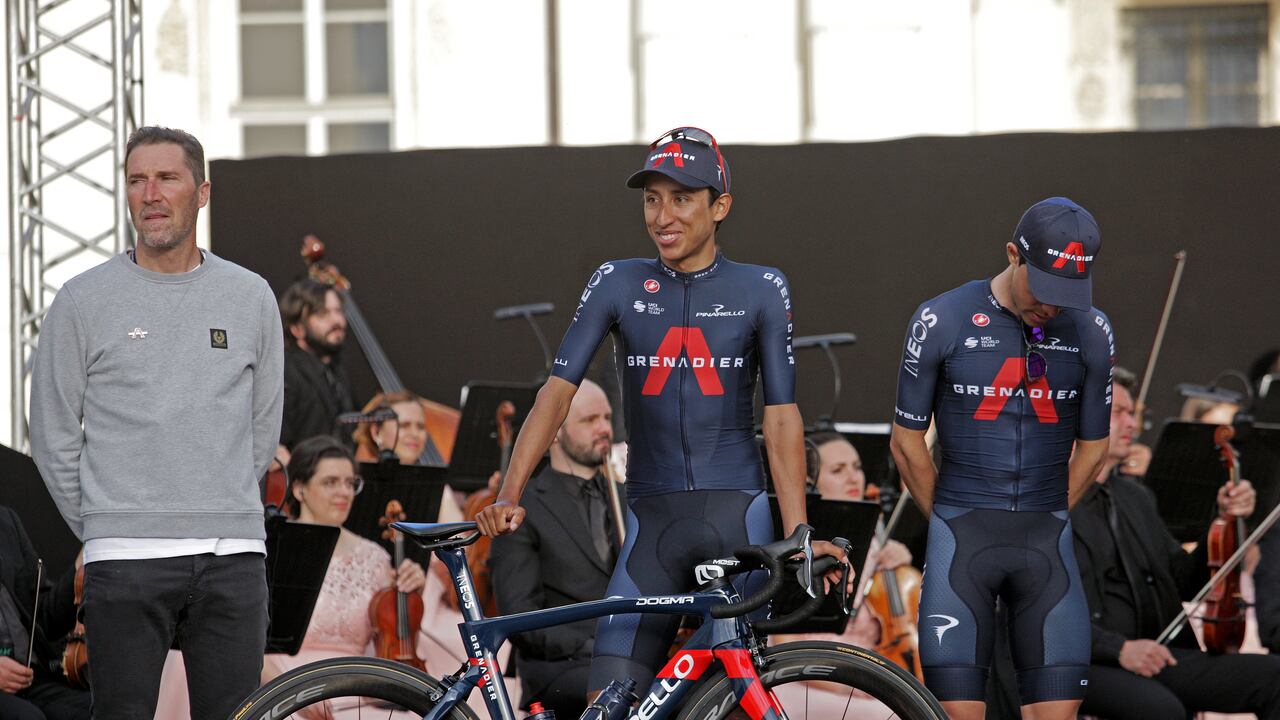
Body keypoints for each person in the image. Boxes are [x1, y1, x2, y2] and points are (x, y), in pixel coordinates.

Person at [477, 126, 844, 698]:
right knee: (610, 701)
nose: (662, 215)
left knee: (735, 699)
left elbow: (781, 417)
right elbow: (557, 393)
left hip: (735, 519)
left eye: (681, 198)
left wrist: (797, 533)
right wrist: (509, 494)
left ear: (720, 205)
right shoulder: (616, 281)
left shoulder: (763, 288)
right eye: (652, 198)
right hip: (652, 527)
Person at [28, 126, 284, 720]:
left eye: (167, 178)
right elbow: (52, 435)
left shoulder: (251, 296)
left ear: (202, 192)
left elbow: (263, 426)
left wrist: (220, 501)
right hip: (124, 560)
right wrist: (105, 522)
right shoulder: (81, 300)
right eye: (137, 180)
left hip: (233, 558)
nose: (151, 194)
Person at [890, 197, 1113, 720]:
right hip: (963, 543)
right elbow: (906, 442)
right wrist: (948, 518)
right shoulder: (941, 317)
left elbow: (1095, 446)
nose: (1053, 309)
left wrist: (1049, 507)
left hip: (1045, 543)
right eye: (1045, 290)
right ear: (1014, 255)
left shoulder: (1092, 331)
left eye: (1068, 296)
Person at [1071, 368, 1280, 719]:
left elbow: (1184, 581)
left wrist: (1222, 523)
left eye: (1133, 414)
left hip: (1160, 652)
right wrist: (1119, 648)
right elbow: (1036, 607)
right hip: (1085, 659)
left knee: (1274, 676)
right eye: (1118, 412)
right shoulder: (1055, 499)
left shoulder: (1136, 498)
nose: (1131, 425)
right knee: (1161, 710)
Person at [487, 379, 622, 718]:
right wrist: (592, 643)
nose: (605, 428)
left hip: (628, 658)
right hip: (561, 668)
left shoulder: (626, 498)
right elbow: (521, 617)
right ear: (555, 431)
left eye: (607, 418)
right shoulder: (523, 506)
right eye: (590, 420)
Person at [0, 506, 90, 720]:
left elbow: (45, 621)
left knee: (105, 709)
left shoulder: (6, 523)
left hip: (30, 680)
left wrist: (80, 572)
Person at [279, 278, 356, 450]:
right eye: (323, 313)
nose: (337, 321)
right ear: (297, 328)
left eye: (339, 311)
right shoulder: (285, 371)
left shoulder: (338, 369)